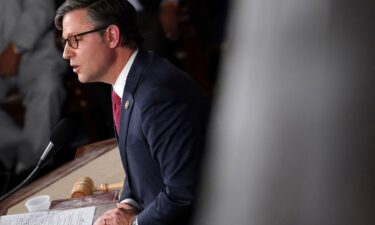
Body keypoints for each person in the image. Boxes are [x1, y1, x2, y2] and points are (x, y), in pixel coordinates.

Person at [55, 0, 210, 225]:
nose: (66, 53)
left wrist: (133, 223)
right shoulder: (126, 81)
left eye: (74, 40)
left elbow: (183, 194)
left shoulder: (158, 95)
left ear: (111, 36)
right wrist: (128, 205)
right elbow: (140, 164)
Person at [0, 0, 66, 190]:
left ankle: (29, 170)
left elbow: (41, 7)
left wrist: (15, 48)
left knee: (48, 86)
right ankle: (25, 159)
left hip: (33, 49)